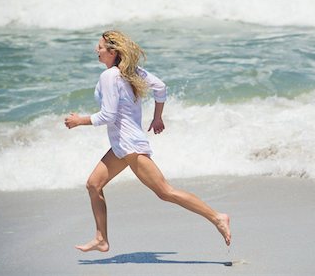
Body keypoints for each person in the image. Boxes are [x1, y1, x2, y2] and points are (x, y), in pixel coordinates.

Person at [64, 30, 231, 252]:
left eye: (101, 47)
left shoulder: (109, 76)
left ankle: (217, 217)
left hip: (129, 146)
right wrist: (157, 117)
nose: (97, 50)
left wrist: (79, 121)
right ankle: (101, 239)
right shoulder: (131, 72)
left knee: (165, 191)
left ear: (113, 51)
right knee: (94, 184)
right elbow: (160, 87)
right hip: (122, 146)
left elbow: (108, 116)